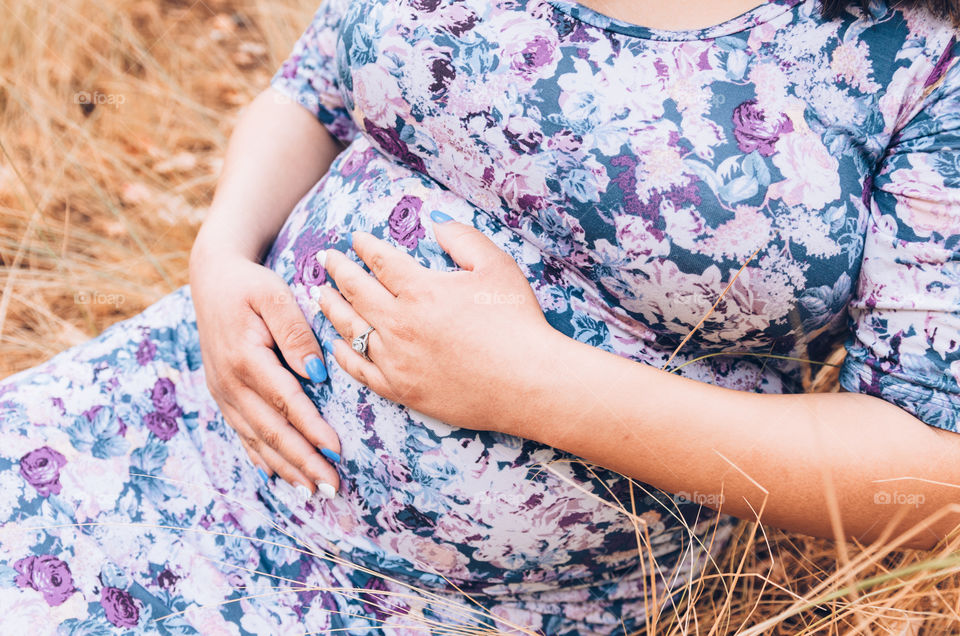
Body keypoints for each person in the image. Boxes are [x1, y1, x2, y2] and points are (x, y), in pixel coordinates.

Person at [1, 0, 958, 632]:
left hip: (471, 602)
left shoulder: (919, 55)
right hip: (169, 430)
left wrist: (532, 387)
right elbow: (312, 89)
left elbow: (935, 471)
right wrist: (219, 254)